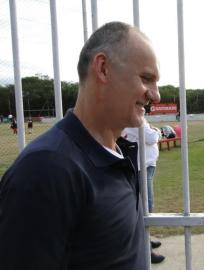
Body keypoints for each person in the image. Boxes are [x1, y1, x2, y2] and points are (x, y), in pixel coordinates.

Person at [0, 21, 160, 270]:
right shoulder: (46, 169)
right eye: (146, 78)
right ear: (103, 68)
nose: (156, 95)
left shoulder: (117, 154)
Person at [122, 118, 165, 264]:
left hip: (145, 165)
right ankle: (145, 249)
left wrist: (152, 130)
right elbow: (151, 137)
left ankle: (146, 239)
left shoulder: (137, 118)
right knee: (146, 206)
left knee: (145, 205)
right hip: (141, 167)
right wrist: (157, 131)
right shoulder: (133, 119)